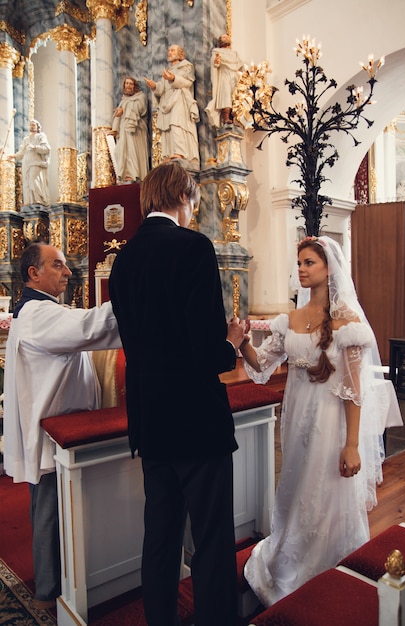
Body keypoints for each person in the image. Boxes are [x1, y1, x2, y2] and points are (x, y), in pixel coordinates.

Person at [109, 161, 246, 626]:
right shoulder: (193, 247)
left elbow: (134, 342)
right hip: (196, 420)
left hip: (151, 420)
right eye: (194, 202)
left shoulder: (124, 258)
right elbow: (206, 352)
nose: (194, 210)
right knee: (210, 539)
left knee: (161, 536)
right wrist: (233, 341)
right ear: (185, 195)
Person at [237, 235, 403, 607]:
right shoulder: (290, 319)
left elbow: (354, 389)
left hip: (332, 424)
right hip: (296, 420)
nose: (301, 269)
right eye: (298, 264)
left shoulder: (349, 322)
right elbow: (262, 366)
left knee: (326, 493)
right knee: (296, 488)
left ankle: (330, 568)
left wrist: (352, 443)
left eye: (309, 263)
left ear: (329, 268)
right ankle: (292, 555)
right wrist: (240, 341)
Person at [3, 243, 121, 610]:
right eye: (58, 265)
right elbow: (91, 328)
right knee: (50, 510)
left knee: (51, 507)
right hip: (56, 432)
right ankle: (47, 594)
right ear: (33, 274)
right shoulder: (40, 314)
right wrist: (136, 292)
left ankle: (55, 585)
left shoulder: (38, 311)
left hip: (60, 428)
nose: (68, 272)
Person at [144, 45, 200, 170]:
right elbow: (161, 89)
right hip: (167, 101)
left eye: (172, 50)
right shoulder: (168, 69)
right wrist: (154, 86)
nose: (169, 52)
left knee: (177, 124)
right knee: (168, 127)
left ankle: (181, 151)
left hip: (179, 99)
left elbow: (188, 82)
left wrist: (173, 78)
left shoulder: (186, 66)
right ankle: (171, 153)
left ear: (180, 53)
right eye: (169, 50)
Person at [111, 76, 149, 183]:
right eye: (126, 84)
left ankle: (134, 174)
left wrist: (124, 109)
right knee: (121, 151)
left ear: (135, 86)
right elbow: (118, 116)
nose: (128, 86)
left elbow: (141, 108)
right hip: (124, 131)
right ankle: (126, 174)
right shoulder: (124, 100)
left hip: (136, 131)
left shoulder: (140, 97)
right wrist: (114, 130)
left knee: (132, 151)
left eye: (131, 84)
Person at [205, 34, 244, 127]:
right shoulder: (217, 51)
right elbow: (215, 62)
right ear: (220, 41)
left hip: (234, 75)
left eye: (227, 37)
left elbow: (240, 64)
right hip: (224, 75)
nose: (226, 38)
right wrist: (216, 61)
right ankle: (226, 116)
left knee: (235, 95)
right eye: (223, 37)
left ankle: (235, 117)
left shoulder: (234, 53)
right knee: (225, 94)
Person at [14, 119, 50, 205]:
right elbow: (21, 152)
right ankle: (29, 201)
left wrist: (35, 147)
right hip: (26, 163)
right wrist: (14, 156)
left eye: (34, 125)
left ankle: (38, 199)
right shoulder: (26, 139)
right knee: (27, 181)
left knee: (34, 180)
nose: (32, 126)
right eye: (30, 125)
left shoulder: (41, 136)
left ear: (38, 127)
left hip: (36, 162)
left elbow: (47, 149)